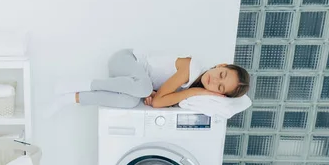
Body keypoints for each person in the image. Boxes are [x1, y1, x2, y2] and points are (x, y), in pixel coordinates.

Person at [45, 49, 250, 116]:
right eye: (221, 74)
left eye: (219, 87)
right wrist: (200, 93)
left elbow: (159, 99)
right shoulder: (191, 66)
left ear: (220, 94)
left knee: (130, 103)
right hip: (125, 60)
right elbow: (160, 101)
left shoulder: (195, 89)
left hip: (129, 83)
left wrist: (200, 93)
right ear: (221, 65)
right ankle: (80, 82)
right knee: (142, 89)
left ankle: (71, 98)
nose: (214, 81)